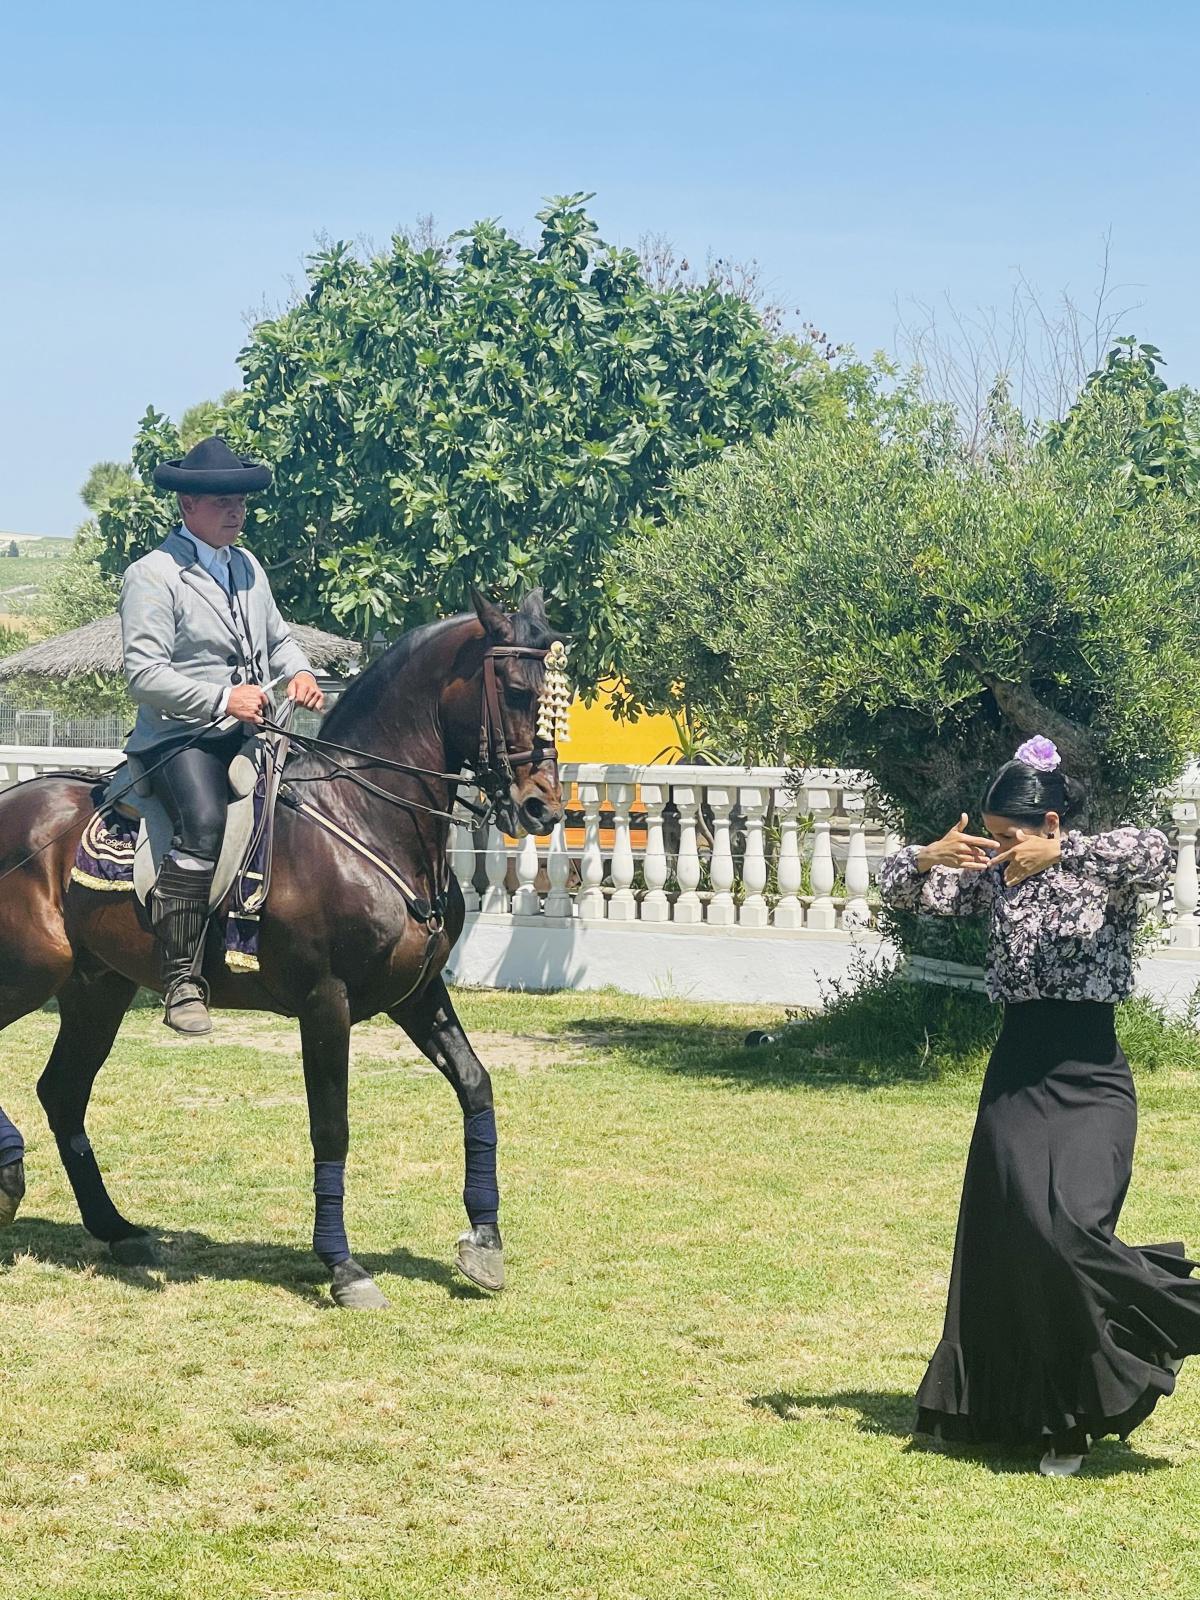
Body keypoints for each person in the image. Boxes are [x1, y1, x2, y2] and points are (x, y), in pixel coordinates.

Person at [880, 734, 1200, 1475]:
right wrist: (930, 856)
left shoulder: (1096, 868)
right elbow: (902, 891)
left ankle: (1160, 1331)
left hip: (1092, 1073)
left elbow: (1155, 850)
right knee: (1011, 1238)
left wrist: (1063, 856)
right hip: (1017, 1072)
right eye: (989, 837)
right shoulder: (992, 880)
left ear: (1049, 823)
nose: (996, 851)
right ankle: (1042, 1418)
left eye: (1007, 837)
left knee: (1071, 1231)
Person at [119, 436, 324, 1036]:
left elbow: (279, 640)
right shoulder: (153, 576)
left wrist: (301, 670)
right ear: (187, 505)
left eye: (239, 502)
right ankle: (181, 977)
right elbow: (144, 675)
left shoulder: (248, 566)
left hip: (250, 732)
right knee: (204, 823)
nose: (235, 512)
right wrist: (221, 699)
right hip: (178, 741)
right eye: (221, 502)